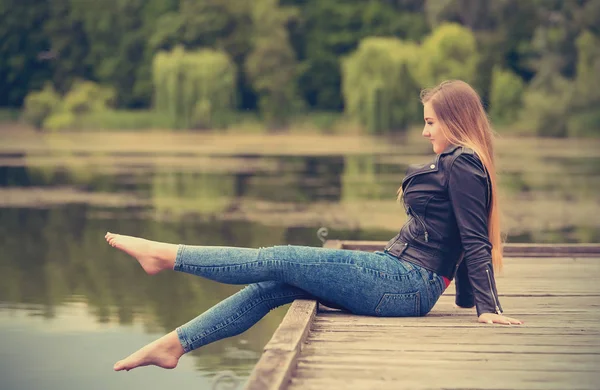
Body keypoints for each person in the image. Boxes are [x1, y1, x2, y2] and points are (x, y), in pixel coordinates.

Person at [105, 79, 523, 372]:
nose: (423, 129)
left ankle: (165, 255)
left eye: (431, 121)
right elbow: (464, 237)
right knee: (275, 285)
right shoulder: (459, 162)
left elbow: (474, 238)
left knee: (281, 258)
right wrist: (469, 299)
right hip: (397, 275)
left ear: (455, 120)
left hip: (407, 284)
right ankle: (175, 345)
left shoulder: (464, 163)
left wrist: (488, 308)